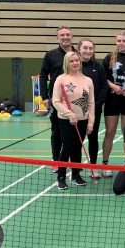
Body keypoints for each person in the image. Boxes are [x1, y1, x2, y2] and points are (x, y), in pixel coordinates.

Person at [51, 51, 94, 190]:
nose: (75, 63)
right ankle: (61, 177)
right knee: (68, 147)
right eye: (72, 61)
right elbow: (56, 101)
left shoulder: (88, 80)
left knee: (77, 148)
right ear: (67, 63)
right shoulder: (61, 79)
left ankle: (76, 174)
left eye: (77, 60)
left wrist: (90, 122)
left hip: (83, 119)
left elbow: (91, 103)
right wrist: (70, 114)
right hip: (66, 120)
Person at [101, 31, 125, 176]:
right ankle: (105, 163)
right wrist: (113, 86)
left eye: (124, 41)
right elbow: (103, 77)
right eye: (118, 41)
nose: (121, 43)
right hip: (112, 99)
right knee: (109, 132)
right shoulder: (109, 58)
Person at [39, 26, 74, 161]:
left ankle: (73, 162)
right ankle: (56, 160)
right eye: (62, 35)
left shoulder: (77, 54)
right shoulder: (51, 55)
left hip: (74, 100)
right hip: (56, 100)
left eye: (68, 34)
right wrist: (45, 97)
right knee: (57, 132)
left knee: (72, 133)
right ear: (58, 38)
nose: (65, 37)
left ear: (72, 37)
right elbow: (43, 75)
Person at [78, 38, 107, 178]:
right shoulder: (74, 66)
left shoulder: (98, 67)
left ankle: (93, 167)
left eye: (90, 48)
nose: (88, 51)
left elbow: (103, 87)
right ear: (79, 49)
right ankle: (75, 169)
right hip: (76, 111)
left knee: (93, 138)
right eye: (85, 48)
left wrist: (96, 104)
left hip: (93, 110)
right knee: (76, 140)